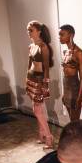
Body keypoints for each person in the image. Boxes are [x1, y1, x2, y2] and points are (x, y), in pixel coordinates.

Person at [26, 20, 55, 149]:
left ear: (39, 31)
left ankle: (48, 136)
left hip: (39, 80)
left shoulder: (44, 47)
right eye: (28, 30)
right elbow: (29, 64)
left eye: (31, 30)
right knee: (38, 109)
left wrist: (45, 83)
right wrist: (26, 78)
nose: (29, 32)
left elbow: (47, 68)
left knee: (37, 110)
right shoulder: (31, 46)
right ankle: (42, 134)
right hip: (31, 79)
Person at [58, 24, 82, 121]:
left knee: (75, 121)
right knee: (71, 120)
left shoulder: (79, 52)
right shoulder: (65, 52)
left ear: (71, 35)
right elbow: (65, 74)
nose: (60, 37)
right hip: (66, 87)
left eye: (62, 35)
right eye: (59, 35)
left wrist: (80, 95)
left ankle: (78, 136)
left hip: (74, 88)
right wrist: (64, 93)